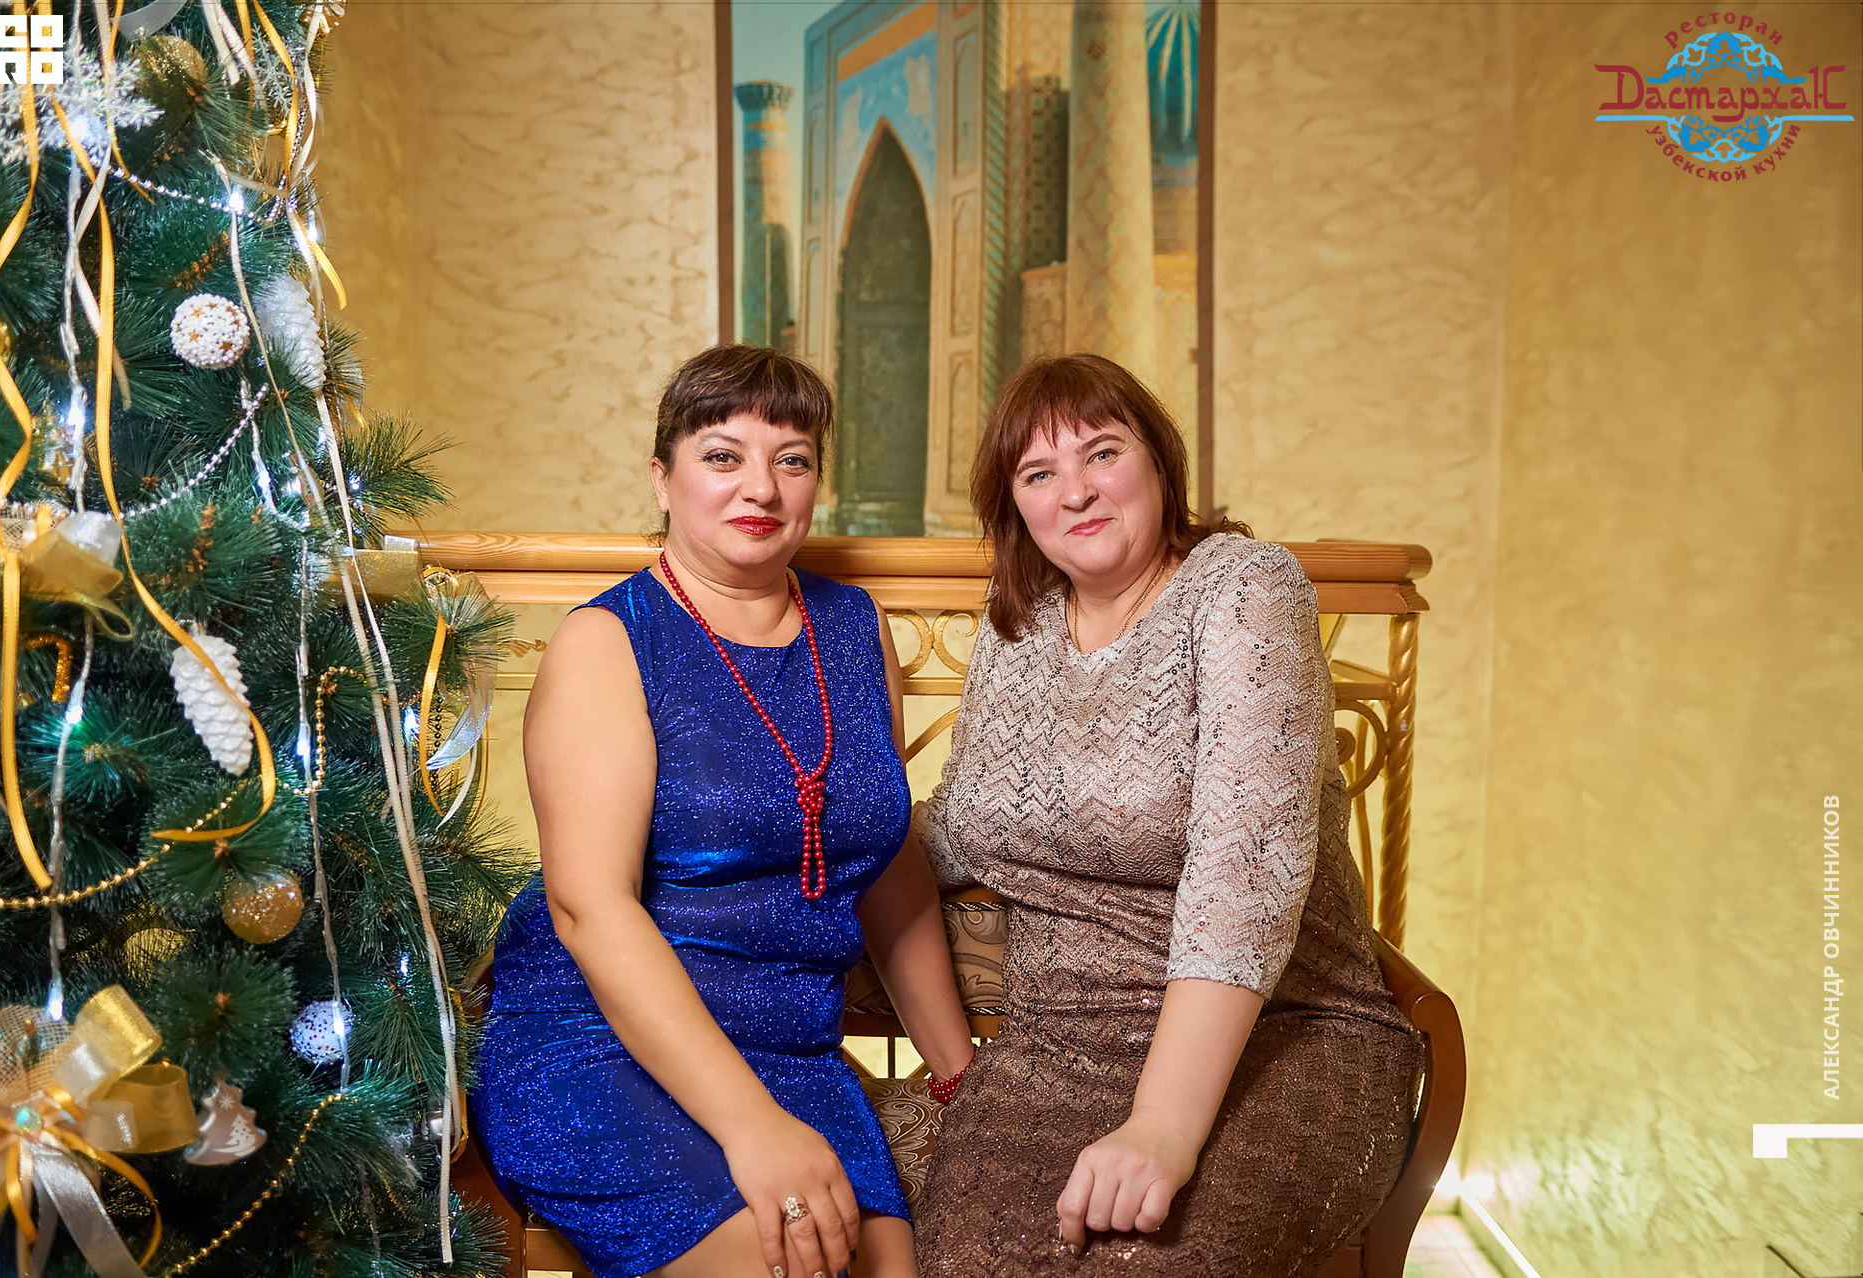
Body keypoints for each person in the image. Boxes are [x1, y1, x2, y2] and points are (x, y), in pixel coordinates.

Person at [910, 353, 1426, 1275]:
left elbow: (1246, 875)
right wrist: (801, 836)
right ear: (1014, 505)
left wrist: (1161, 1126)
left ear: (1158, 460)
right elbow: (957, 827)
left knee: (1148, 1261)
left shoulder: (1245, 589)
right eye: (1038, 473)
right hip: (1054, 1047)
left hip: (1281, 1038)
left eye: (1102, 453)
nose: (1075, 492)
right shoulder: (1015, 625)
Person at [471, 345, 976, 1278]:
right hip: (602, 1043)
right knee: (783, 1264)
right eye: (722, 455)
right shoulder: (606, 641)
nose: (762, 487)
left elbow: (886, 864)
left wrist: (958, 1078)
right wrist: (752, 1128)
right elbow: (590, 909)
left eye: (793, 459)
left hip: (796, 1053)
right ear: (662, 479)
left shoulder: (853, 626)